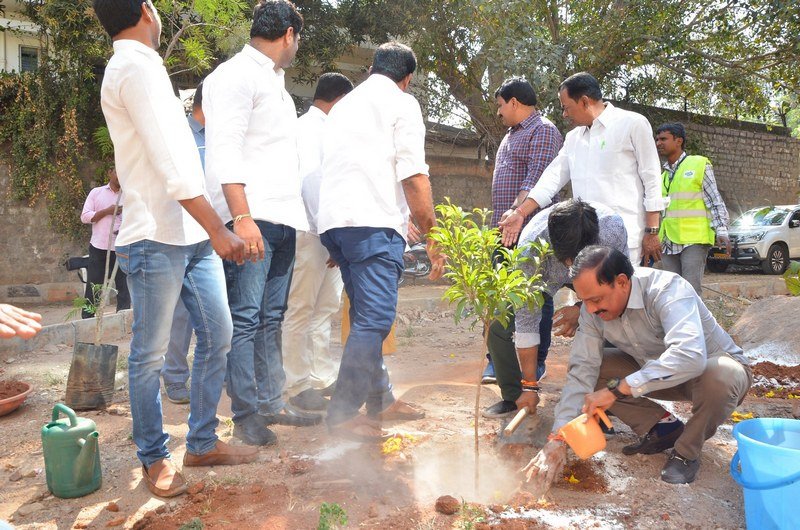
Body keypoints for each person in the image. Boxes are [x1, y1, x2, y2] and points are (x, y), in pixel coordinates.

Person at [93, 0, 256, 498]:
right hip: (155, 237)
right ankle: (153, 456)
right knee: (149, 356)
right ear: (146, 10)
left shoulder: (147, 67)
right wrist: (219, 229)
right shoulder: (132, 68)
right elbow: (171, 164)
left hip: (187, 236)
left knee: (219, 334)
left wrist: (207, 230)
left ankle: (202, 441)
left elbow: (182, 156)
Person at [523, 246, 751, 488]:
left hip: (709, 374)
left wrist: (618, 389)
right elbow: (582, 370)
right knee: (597, 372)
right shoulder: (591, 312)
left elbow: (689, 356)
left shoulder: (668, 289)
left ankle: (686, 453)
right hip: (653, 373)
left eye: (596, 300)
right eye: (584, 301)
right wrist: (558, 437)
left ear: (622, 282)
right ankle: (662, 427)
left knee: (722, 375)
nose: (589, 310)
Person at [203, 0, 320, 447]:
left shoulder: (277, 86)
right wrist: (242, 216)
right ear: (289, 33)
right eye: (298, 39)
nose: (297, 46)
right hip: (252, 218)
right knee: (246, 319)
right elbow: (224, 151)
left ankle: (272, 401)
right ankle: (246, 413)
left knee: (272, 317)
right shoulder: (235, 76)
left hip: (282, 219)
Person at [317, 42, 444, 442]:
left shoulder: (344, 106)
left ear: (371, 68)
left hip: (338, 224)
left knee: (363, 317)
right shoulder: (402, 105)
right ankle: (341, 412)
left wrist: (340, 233)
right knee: (374, 319)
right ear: (407, 79)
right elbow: (414, 176)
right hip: (372, 225)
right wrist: (434, 235)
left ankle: (381, 398)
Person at [499, 72, 667, 266]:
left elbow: (652, 178)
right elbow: (551, 179)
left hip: (628, 240)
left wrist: (652, 231)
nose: (564, 114)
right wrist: (520, 212)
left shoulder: (632, 124)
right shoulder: (573, 138)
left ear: (585, 102)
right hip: (586, 242)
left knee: (629, 293)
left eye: (566, 108)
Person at [483, 199, 628, 418]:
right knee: (499, 323)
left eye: (575, 259)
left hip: (596, 279)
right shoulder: (530, 250)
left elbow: (617, 291)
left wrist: (581, 308)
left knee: (610, 318)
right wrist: (529, 386)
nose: (570, 265)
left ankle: (604, 402)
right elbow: (526, 319)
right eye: (566, 258)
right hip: (544, 274)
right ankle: (515, 397)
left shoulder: (612, 231)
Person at [481, 77, 562, 386]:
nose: (499, 112)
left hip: (530, 233)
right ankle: (499, 363)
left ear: (514, 102)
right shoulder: (511, 135)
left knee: (534, 296)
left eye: (501, 105)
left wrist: (517, 213)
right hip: (503, 232)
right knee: (500, 296)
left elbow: (535, 180)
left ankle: (534, 364)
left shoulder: (543, 131)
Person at [282, 73, 354, 412]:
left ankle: (321, 376)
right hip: (310, 231)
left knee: (324, 308)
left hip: (327, 233)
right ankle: (296, 384)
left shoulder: (328, 129)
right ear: (339, 101)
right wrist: (328, 235)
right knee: (301, 309)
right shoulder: (308, 129)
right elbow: (312, 183)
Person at [160, 81, 207, 405]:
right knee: (179, 315)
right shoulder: (181, 137)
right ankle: (175, 379)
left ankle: (213, 379)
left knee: (216, 315)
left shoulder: (221, 140)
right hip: (179, 235)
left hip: (214, 235)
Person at [655, 122, 730, 295]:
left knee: (690, 290)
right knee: (671, 291)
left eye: (663, 139)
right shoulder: (662, 176)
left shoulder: (699, 165)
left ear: (679, 141)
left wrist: (722, 230)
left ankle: (695, 323)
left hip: (694, 241)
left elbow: (714, 199)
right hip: (668, 241)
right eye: (657, 139)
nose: (658, 143)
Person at [79, 167, 130, 318]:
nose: (121, 176)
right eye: (117, 171)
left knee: (124, 286)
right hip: (99, 247)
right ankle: (87, 320)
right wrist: (107, 211)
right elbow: (85, 217)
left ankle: (123, 319)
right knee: (94, 286)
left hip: (123, 246)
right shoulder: (96, 192)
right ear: (109, 172)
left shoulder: (130, 195)